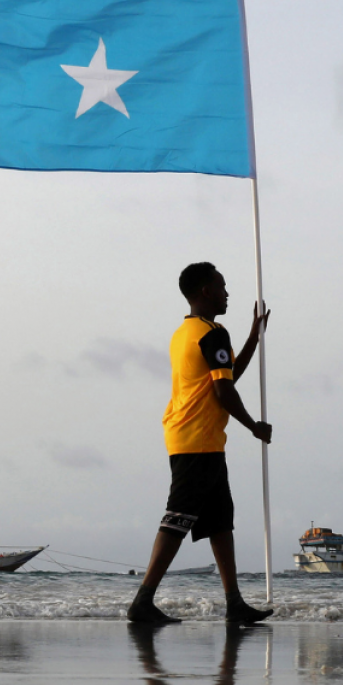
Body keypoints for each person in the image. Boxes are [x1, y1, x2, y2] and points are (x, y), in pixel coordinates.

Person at [127, 262, 274, 625]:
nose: (227, 293)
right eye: (222, 286)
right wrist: (254, 426)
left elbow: (226, 377)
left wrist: (254, 337)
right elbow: (224, 392)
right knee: (178, 517)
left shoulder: (185, 332)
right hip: (196, 439)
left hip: (198, 438)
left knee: (220, 521)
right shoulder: (211, 333)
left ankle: (234, 602)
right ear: (206, 291)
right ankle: (142, 600)